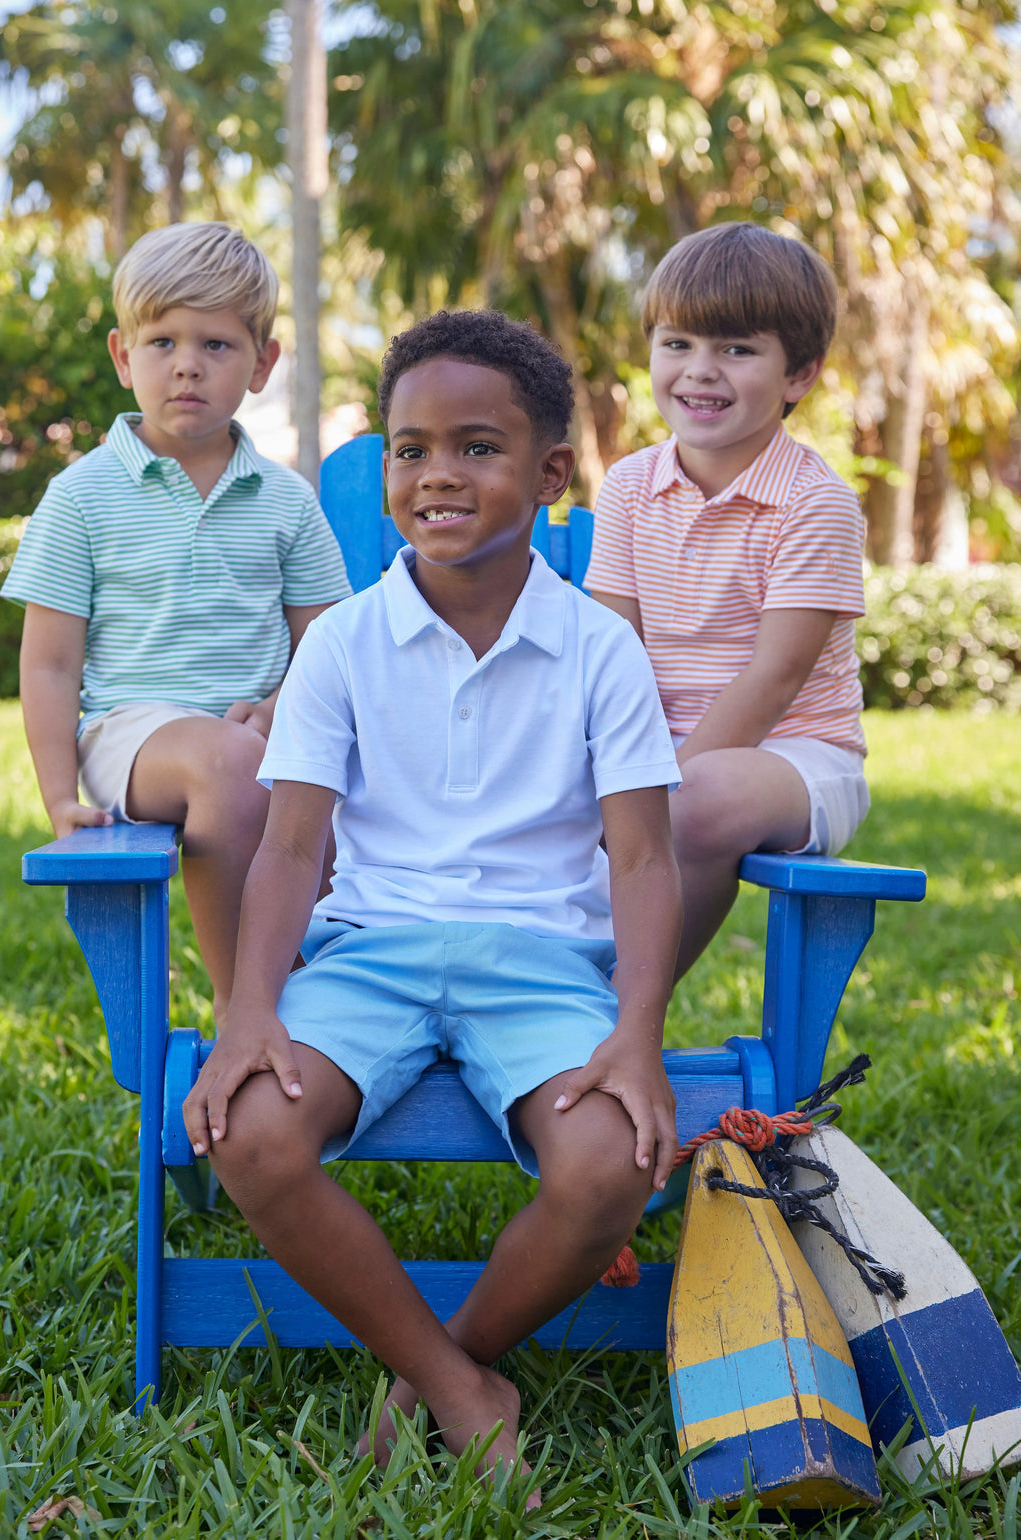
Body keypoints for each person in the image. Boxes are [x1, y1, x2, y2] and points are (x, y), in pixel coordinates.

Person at [182, 310, 683, 1502]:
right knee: (250, 1133)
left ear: (551, 473)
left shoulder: (597, 647)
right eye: (409, 450)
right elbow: (291, 848)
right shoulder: (346, 643)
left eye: (475, 447)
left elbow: (645, 862)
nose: (435, 476)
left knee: (613, 1162)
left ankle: (430, 1376)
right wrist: (250, 1007)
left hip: (540, 956)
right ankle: (465, 1391)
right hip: (372, 952)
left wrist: (636, 1034)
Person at [2, 223, 352, 1022]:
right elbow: (50, 665)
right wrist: (60, 799)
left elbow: (327, 647)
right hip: (130, 736)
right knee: (234, 762)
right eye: (163, 340)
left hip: (262, 735)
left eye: (218, 345)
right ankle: (243, 1007)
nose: (187, 363)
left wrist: (278, 705)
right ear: (125, 357)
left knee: (291, 769)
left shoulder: (287, 501)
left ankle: (322, 994)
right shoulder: (82, 497)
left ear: (262, 364)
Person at [584, 222, 869, 978]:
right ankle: (526, 983)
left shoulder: (815, 504)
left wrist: (653, 786)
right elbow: (612, 648)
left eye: (737, 350)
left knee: (699, 797)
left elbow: (774, 679)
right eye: (676, 344)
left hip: (797, 760)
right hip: (659, 750)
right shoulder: (630, 487)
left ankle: (623, 1002)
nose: (699, 372)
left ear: (799, 375)